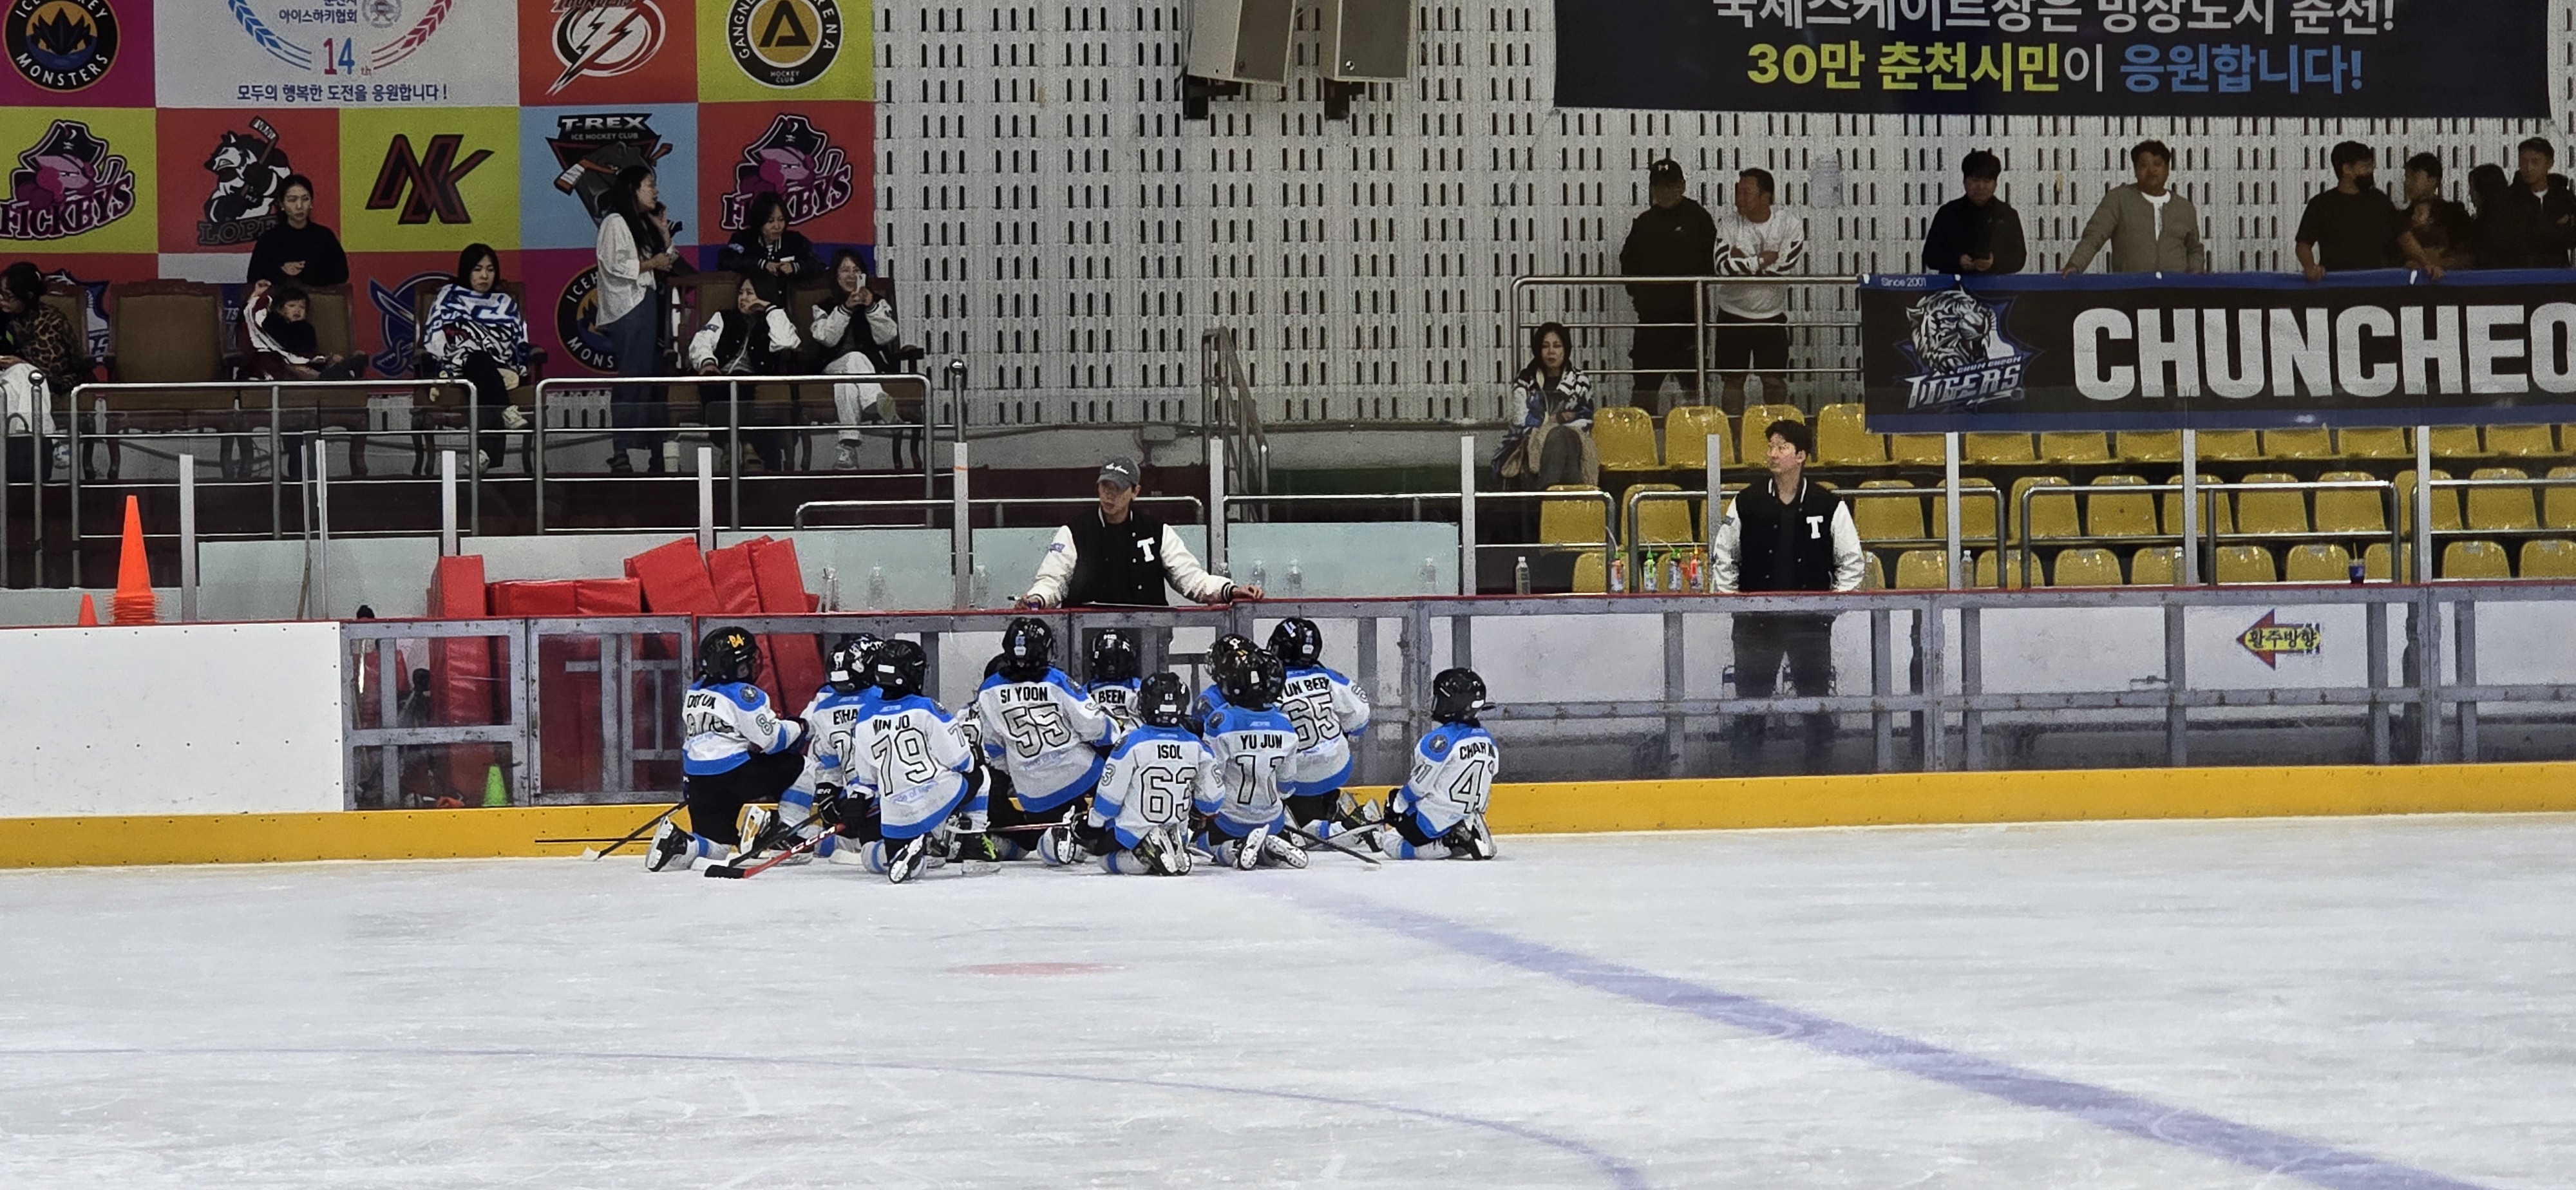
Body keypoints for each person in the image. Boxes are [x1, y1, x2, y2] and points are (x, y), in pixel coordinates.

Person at [1710, 420, 1866, 773]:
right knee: (1751, 698)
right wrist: (1734, 603)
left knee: (1814, 695)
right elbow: (1725, 555)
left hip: (1809, 622)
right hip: (1755, 622)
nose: (1772, 454)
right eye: (1770, 446)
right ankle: (1746, 766)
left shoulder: (1828, 504)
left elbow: (1851, 561)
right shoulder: (1746, 502)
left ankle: (1820, 765)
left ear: (1801, 455)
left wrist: (1832, 607)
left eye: (1781, 447)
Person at [648, 627, 808, 873]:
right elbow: (772, 741)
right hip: (735, 774)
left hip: (698, 780)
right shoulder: (743, 694)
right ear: (737, 665)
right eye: (747, 660)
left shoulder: (695, 691)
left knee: (717, 846)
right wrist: (800, 727)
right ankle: (783, 833)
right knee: (805, 767)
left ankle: (679, 844)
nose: (752, 665)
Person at [837, 638, 996, 883]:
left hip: (894, 816)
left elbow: (867, 779)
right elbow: (962, 761)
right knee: (980, 775)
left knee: (872, 856)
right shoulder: (927, 708)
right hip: (933, 800)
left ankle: (918, 851)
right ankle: (975, 849)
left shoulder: (865, 715)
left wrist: (857, 800)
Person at [1017, 457, 1265, 609]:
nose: (1109, 495)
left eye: (1117, 488)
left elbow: (1191, 579)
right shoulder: (1073, 532)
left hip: (1149, 637)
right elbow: (1052, 581)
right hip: (1086, 637)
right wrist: (1037, 599)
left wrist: (1229, 590)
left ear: (1135, 492)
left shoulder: (1158, 532)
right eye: (1104, 486)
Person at [971, 617, 1122, 864]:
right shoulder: (1056, 680)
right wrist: (1115, 731)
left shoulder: (988, 690)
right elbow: (1095, 727)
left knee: (1029, 826)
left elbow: (994, 749)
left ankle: (1053, 839)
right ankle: (1097, 832)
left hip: (1035, 796)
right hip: (1082, 777)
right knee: (1120, 759)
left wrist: (1019, 774)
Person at [736, 634, 884, 864]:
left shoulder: (826, 700)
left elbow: (805, 734)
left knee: (804, 767)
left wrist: (827, 792)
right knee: (865, 845)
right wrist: (828, 792)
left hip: (850, 792)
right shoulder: (888, 699)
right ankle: (789, 830)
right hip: (868, 794)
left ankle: (792, 833)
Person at [1059, 672, 1204, 876]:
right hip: (1178, 828)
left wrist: (1093, 824)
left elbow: (1109, 800)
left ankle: (1143, 855)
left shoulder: (1131, 743)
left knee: (1104, 859)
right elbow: (1212, 800)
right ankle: (1169, 842)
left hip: (1132, 830)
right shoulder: (1198, 746)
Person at [1356, 668, 1499, 861]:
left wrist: (1396, 805)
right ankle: (1464, 832)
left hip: (1433, 820)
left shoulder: (1440, 740)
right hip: (1469, 814)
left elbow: (1418, 787)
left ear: (1452, 703)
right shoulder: (1489, 741)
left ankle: (1448, 843)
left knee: (1391, 843)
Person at [596, 165, 679, 473]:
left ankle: (655, 448)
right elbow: (614, 264)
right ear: (633, 188)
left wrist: (663, 232)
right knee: (633, 375)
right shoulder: (615, 222)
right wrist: (651, 264)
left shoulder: (643, 223)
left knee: (653, 376)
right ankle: (621, 449)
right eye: (650, 185)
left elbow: (669, 262)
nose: (656, 191)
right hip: (628, 307)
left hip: (649, 304)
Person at [421, 243, 534, 471]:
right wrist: (468, 346)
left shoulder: (505, 302)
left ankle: (485, 454)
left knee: (484, 366)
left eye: (490, 270)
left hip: (500, 364)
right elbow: (437, 335)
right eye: (478, 269)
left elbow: (517, 341)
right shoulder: (449, 296)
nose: (484, 276)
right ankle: (505, 411)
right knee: (478, 359)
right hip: (458, 363)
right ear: (467, 271)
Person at [1618, 159, 1717, 412]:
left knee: (1696, 390)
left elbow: (1712, 263)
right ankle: (1641, 436)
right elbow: (1628, 264)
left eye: (1670, 185)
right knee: (1644, 389)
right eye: (1659, 186)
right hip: (1652, 323)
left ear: (1682, 186)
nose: (1664, 191)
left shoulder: (1698, 219)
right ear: (1652, 189)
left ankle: (1700, 436)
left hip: (1690, 323)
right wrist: (1642, 298)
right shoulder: (1644, 223)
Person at [1196, 647, 1304, 871]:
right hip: (1273, 819)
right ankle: (1268, 850)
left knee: (1202, 844)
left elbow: (1210, 779)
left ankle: (1235, 848)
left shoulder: (1221, 721)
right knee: (1270, 823)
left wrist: (1201, 810)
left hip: (1229, 821)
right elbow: (1286, 786)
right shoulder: (1286, 725)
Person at [1267, 618, 1374, 842]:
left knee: (1296, 835)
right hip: (1337, 767)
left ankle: (1333, 828)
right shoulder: (1329, 677)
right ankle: (1332, 810)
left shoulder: (1269, 685)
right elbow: (1360, 719)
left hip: (1295, 778)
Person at [1711, 167, 1808, 416]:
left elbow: (1784, 267)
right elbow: (1722, 267)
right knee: (1733, 380)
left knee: (1773, 380)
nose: (1739, 199)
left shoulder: (1789, 224)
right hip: (1732, 314)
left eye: (1746, 193)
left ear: (1766, 196)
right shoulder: (1729, 224)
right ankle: (1734, 435)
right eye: (1738, 192)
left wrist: (1742, 260)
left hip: (1771, 315)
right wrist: (1761, 260)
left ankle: (1776, 430)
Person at [688, 279, 801, 473]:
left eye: (750, 293)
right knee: (711, 383)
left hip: (752, 377)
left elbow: (787, 342)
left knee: (742, 383)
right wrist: (707, 362)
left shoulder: (773, 319)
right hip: (720, 372)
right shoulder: (723, 317)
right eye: (741, 293)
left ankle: (748, 446)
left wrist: (769, 309)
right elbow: (702, 340)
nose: (743, 298)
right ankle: (729, 447)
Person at [811, 249, 906, 471]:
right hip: (831, 367)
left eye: (856, 270)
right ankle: (875, 403)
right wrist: (846, 309)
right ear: (836, 275)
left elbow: (887, 336)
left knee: (846, 385)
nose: (851, 276)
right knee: (854, 358)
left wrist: (871, 308)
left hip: (866, 370)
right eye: (845, 270)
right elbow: (826, 339)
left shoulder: (878, 303)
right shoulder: (824, 306)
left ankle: (847, 449)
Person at [2062, 140, 2208, 276]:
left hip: (2176, 290)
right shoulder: (2118, 199)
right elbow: (2094, 237)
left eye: (2157, 164)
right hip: (2130, 289)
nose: (2151, 170)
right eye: (2144, 166)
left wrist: (2194, 273)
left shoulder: (2185, 208)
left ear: (2168, 168)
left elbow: (2195, 249)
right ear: (2135, 170)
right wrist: (2076, 264)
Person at [1, 261, 77, 482]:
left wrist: (21, 362)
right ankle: (40, 443)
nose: (1, 299)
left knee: (24, 376)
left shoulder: (49, 320)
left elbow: (53, 367)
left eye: (8, 296)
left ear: (27, 296)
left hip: (49, 381)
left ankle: (21, 446)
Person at [1495, 321, 1595, 489]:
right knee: (1562, 452)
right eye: (1545, 346)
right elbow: (1521, 420)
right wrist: (1557, 419)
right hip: (1533, 441)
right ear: (1538, 350)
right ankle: (1567, 497)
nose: (1551, 352)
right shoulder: (1525, 381)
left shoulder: (1580, 381)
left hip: (1574, 440)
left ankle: (1544, 496)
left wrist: (1551, 425)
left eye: (1557, 346)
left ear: (1565, 349)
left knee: (1560, 436)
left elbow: (1586, 419)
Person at [2295, 142, 2402, 280]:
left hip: (2376, 283)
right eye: (2365, 167)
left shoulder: (2380, 201)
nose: (2371, 171)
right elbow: (2303, 245)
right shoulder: (2321, 205)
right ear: (2347, 169)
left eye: (2371, 166)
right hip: (2335, 285)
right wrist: (2310, 267)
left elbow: (2403, 236)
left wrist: (2419, 261)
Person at [1920, 149, 2027, 276]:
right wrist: (1958, 261)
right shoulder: (1948, 213)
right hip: (1955, 285)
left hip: (1997, 286)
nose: (1981, 187)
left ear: (1995, 184)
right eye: (1975, 180)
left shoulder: (2007, 214)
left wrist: (1994, 262)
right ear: (1965, 182)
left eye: (1987, 181)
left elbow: (2019, 259)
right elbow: (1930, 257)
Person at [243, 281, 365, 381]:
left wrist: (328, 359)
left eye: (302, 307)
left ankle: (338, 371)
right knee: (292, 366)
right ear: (280, 309)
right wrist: (257, 294)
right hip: (281, 364)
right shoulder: (271, 323)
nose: (297, 310)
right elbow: (251, 318)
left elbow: (307, 351)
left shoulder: (306, 328)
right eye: (292, 306)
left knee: (332, 361)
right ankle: (328, 376)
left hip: (306, 362)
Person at [716, 193, 820, 306]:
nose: (777, 226)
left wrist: (795, 267)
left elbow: (817, 264)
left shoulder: (795, 241)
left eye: (781, 220)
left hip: (784, 307)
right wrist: (762, 264)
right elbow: (725, 260)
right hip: (751, 307)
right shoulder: (743, 239)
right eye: (770, 221)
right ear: (759, 222)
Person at [245, 175, 348, 288]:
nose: (299, 206)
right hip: (279, 298)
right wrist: (282, 271)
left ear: (311, 203)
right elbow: (254, 278)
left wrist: (306, 272)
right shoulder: (269, 239)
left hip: (318, 298)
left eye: (305, 199)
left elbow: (341, 275)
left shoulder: (325, 237)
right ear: (282, 204)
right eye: (292, 200)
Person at [2399, 153, 2475, 278]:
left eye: (2414, 177)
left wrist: (2437, 263)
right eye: (2407, 177)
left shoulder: (2454, 214)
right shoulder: (2401, 219)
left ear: (2432, 180)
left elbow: (2469, 256)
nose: (2408, 183)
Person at [2506, 138, 2576, 267]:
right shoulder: (2509, 199)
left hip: (2557, 271)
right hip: (2519, 272)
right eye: (2523, 162)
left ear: (2549, 164)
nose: (2528, 168)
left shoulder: (2564, 199)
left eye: (2535, 162)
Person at [2468, 164, 2539, 269]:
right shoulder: (2524, 216)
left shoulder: (2484, 224)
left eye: (2472, 189)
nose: (2470, 194)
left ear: (2481, 190)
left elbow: (2478, 259)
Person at [1084, 628, 1144, 730]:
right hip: (1122, 738)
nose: (1111, 665)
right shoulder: (1086, 691)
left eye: (1117, 659)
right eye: (1106, 660)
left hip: (1131, 737)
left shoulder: (1140, 688)